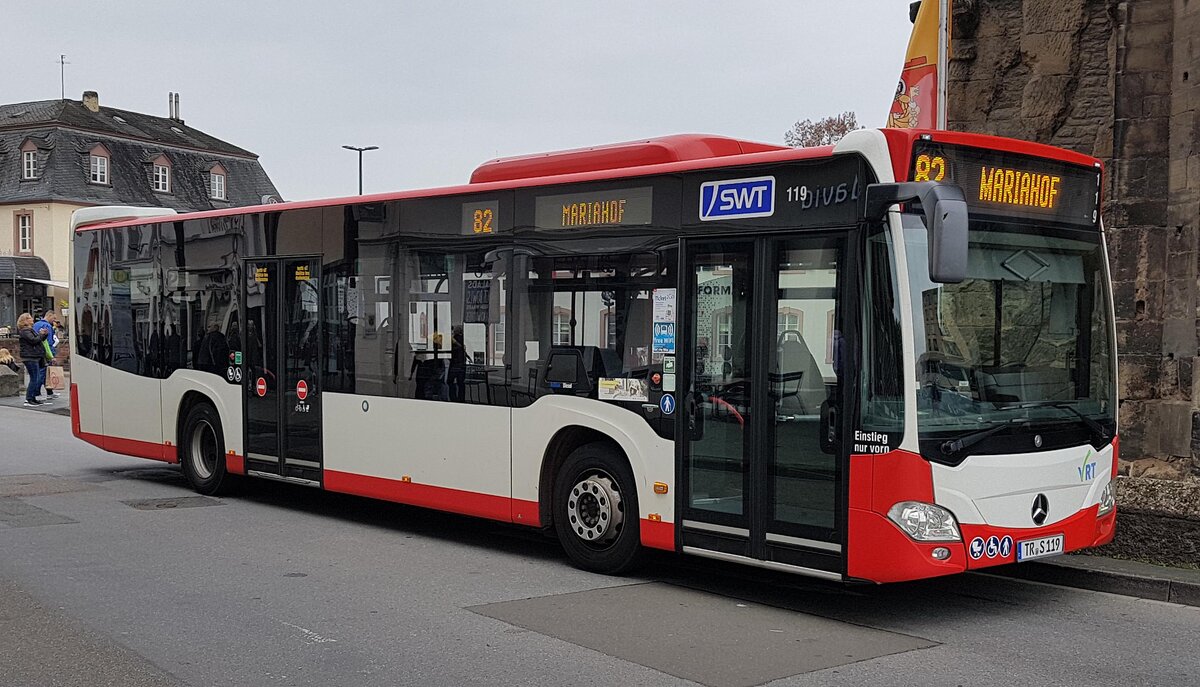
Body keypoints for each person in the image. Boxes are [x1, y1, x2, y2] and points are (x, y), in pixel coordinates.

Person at [17, 313, 47, 407]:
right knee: (34, 378)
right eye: (30, 318)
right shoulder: (25, 331)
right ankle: (29, 399)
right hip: (30, 357)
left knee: (36, 378)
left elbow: (38, 339)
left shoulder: (30, 330)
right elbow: (34, 340)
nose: (32, 319)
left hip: (34, 356)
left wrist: (44, 335)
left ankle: (33, 398)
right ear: (25, 320)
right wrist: (41, 334)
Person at [33, 310, 59, 399]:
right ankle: (35, 392)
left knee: (44, 373)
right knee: (44, 373)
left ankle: (49, 392)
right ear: (49, 315)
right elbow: (48, 342)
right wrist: (51, 355)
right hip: (45, 353)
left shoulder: (36, 324)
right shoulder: (47, 326)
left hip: (37, 352)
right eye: (54, 318)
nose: (54, 320)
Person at [448, 325, 468, 402]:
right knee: (461, 383)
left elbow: (450, 350)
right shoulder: (464, 339)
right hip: (462, 364)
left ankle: (453, 398)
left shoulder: (453, 339)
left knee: (449, 381)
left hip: (454, 364)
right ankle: (461, 399)